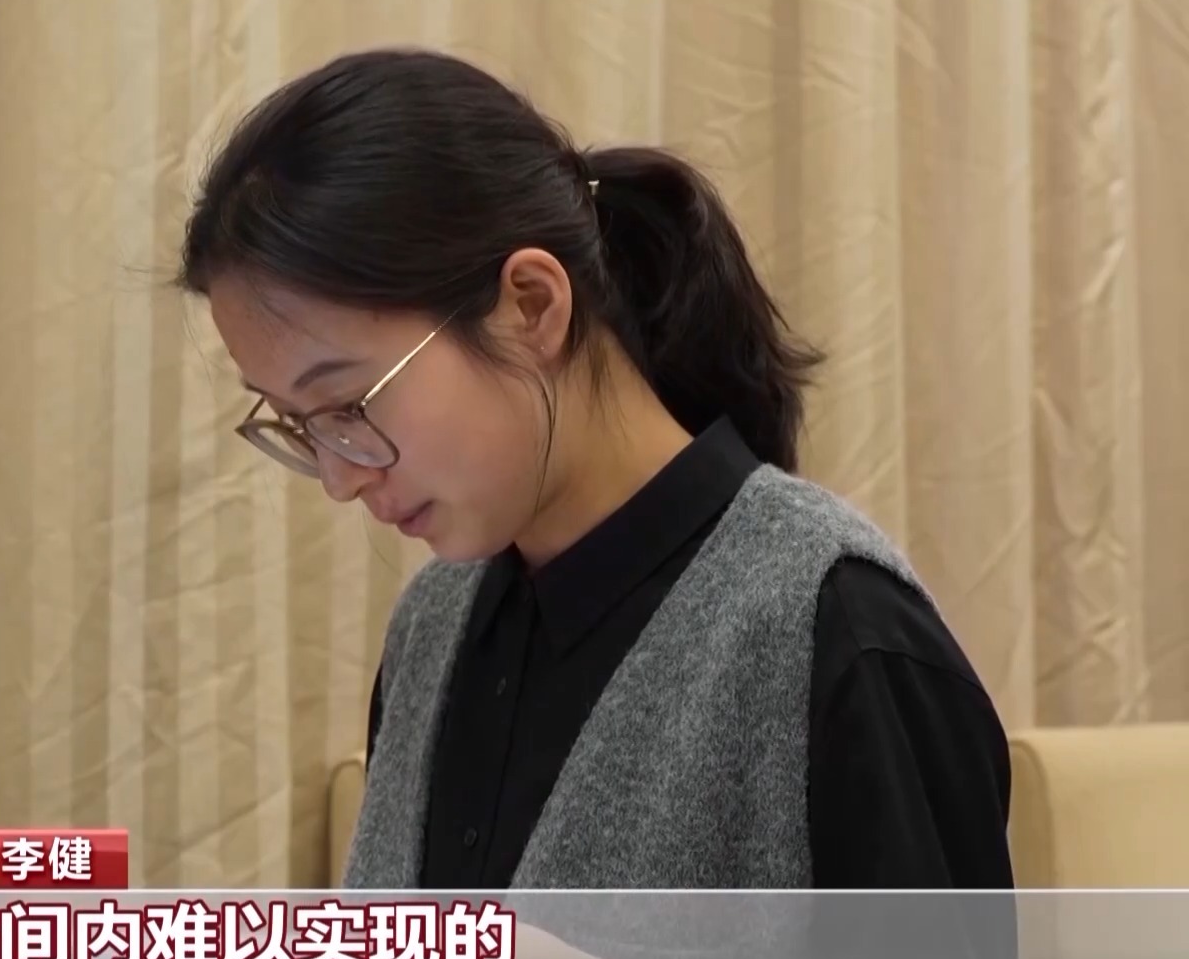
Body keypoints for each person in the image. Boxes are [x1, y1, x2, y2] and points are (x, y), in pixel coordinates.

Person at [175, 48, 1014, 902]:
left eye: (350, 403)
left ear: (531, 305)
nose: (338, 477)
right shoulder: (434, 627)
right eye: (301, 424)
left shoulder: (838, 628)